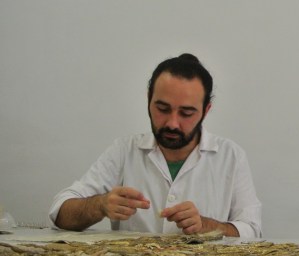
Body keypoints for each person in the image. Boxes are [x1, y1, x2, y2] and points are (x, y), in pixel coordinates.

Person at [49, 53, 262, 238]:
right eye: (162, 109)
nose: (172, 123)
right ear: (148, 100)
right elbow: (60, 213)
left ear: (206, 110)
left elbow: (252, 230)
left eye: (186, 113)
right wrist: (100, 205)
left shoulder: (231, 156)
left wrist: (206, 226)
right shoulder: (125, 151)